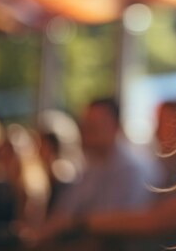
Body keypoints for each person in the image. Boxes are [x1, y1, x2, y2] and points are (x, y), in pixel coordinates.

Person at [35, 97, 156, 250]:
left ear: (115, 127)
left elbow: (116, 230)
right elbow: (65, 212)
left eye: (94, 127)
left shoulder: (131, 169)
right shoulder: (91, 163)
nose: (86, 133)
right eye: (85, 126)